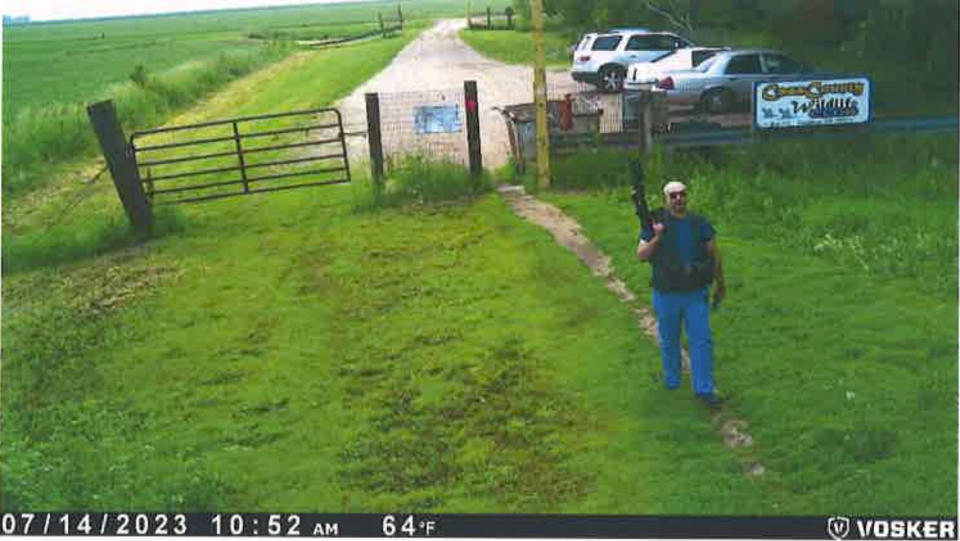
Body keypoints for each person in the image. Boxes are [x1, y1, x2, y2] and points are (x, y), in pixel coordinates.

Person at [635, 180, 726, 407]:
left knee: (701, 340)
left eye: (682, 195)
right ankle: (672, 380)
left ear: (687, 197)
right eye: (673, 196)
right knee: (669, 340)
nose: (678, 199)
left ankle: (704, 389)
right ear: (666, 199)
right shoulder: (656, 223)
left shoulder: (700, 223)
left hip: (695, 292)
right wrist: (657, 236)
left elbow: (714, 254)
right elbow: (642, 254)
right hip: (666, 293)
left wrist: (720, 284)